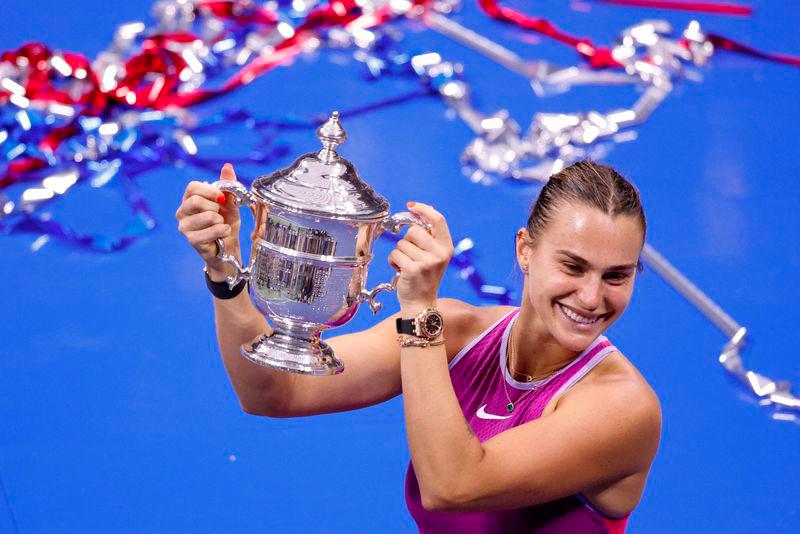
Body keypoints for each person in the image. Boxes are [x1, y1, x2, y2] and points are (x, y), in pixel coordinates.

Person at [176, 159, 661, 532]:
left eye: (616, 275)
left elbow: (452, 485)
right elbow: (273, 393)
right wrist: (225, 270)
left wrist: (418, 311)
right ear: (525, 251)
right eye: (573, 267)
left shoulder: (623, 408)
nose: (593, 297)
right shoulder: (456, 332)